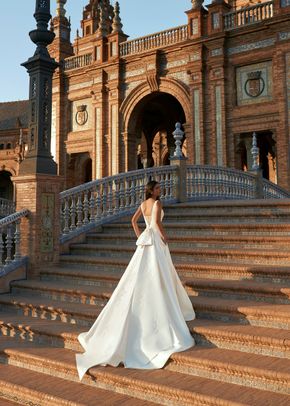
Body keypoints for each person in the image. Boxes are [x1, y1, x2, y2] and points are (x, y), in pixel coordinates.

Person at [75, 180, 196, 381]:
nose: (159, 191)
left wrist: (140, 236)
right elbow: (157, 223)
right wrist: (165, 238)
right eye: (157, 188)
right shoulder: (157, 204)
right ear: (152, 190)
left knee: (142, 275)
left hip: (145, 241)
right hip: (155, 241)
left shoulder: (142, 204)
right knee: (159, 274)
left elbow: (133, 221)